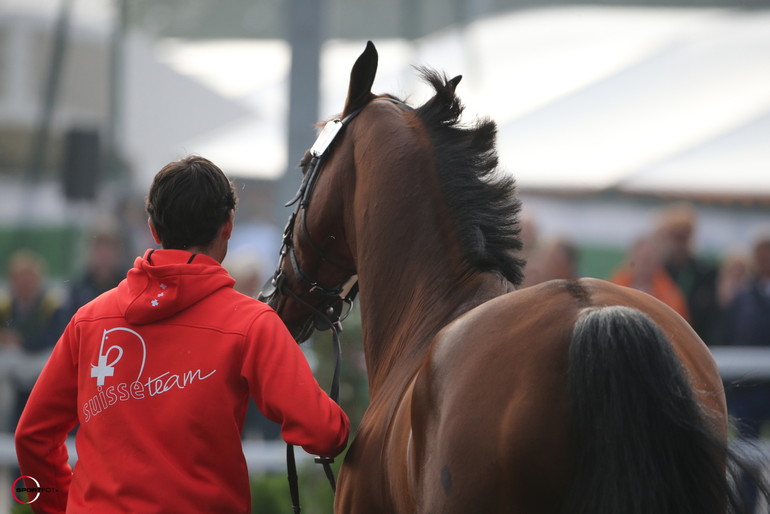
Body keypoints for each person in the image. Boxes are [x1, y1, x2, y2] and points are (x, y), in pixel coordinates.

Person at [15, 156, 350, 513]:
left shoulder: (90, 320)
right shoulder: (252, 323)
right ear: (228, 225)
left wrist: (61, 507)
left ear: (154, 230)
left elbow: (33, 436)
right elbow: (325, 434)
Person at [721, 234, 770, 438]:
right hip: (748, 387)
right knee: (746, 445)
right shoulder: (742, 296)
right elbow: (730, 333)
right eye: (761, 256)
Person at [654, 202, 720, 344]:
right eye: (675, 236)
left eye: (684, 236)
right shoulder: (658, 272)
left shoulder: (706, 273)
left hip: (697, 345)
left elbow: (714, 317)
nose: (679, 243)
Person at [610, 234, 690, 321]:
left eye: (649, 259)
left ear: (658, 262)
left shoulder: (670, 296)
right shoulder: (615, 287)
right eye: (641, 258)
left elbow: (676, 326)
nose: (644, 264)